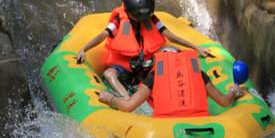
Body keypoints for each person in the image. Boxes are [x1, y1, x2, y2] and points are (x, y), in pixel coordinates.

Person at [76, 0, 210, 99]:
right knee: (109, 74)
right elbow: (103, 35)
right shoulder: (119, 20)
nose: (142, 20)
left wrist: (196, 47)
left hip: (146, 66)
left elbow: (171, 36)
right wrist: (84, 49)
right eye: (138, 17)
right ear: (128, 11)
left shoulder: (152, 19)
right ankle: (127, 99)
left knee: (174, 54)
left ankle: (177, 93)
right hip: (124, 67)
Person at [98, 48, 244, 116]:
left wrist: (110, 98)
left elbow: (128, 106)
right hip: (201, 126)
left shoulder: (154, 77)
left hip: (167, 131)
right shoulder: (198, 74)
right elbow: (224, 102)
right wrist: (233, 91)